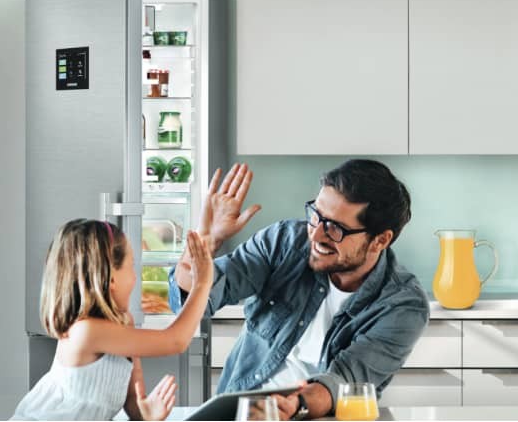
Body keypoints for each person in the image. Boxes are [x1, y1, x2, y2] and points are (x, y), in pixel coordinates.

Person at [169, 159, 430, 420]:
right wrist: (206, 241)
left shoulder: (402, 305)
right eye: (316, 215)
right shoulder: (282, 242)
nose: (316, 235)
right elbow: (195, 302)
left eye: (335, 228)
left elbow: (345, 381)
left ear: (380, 240)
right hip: (242, 413)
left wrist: (294, 405)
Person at [11, 219, 213, 421]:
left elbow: (134, 403)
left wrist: (146, 413)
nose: (136, 277)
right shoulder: (86, 331)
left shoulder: (124, 323)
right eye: (131, 266)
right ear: (112, 278)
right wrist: (202, 284)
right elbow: (175, 341)